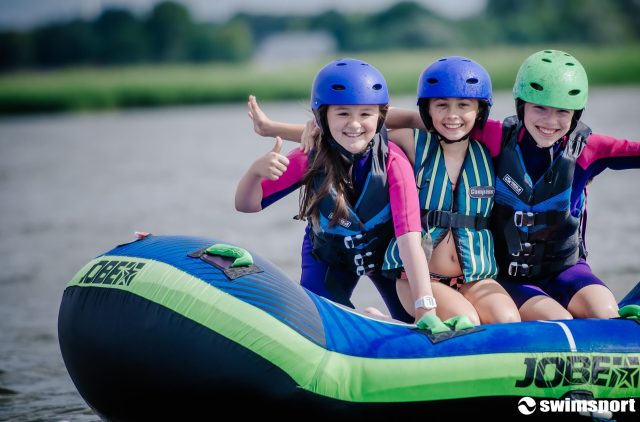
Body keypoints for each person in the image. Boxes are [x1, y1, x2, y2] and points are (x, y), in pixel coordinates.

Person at [358, 49, 640, 320]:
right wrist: (408, 119)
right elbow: (381, 123)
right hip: (501, 275)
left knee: (605, 310)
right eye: (539, 108)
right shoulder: (494, 137)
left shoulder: (589, 149)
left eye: (562, 112)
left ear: (575, 114)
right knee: (551, 317)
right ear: (521, 106)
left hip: (555, 268)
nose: (550, 121)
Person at [247, 57, 521, 324]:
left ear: (480, 110)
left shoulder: (488, 141)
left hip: (473, 274)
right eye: (441, 105)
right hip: (415, 271)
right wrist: (299, 126)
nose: (452, 115)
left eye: (463, 105)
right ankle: (375, 318)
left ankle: (383, 320)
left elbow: (373, 119)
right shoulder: (410, 141)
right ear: (427, 109)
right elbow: (359, 133)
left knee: (505, 318)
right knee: (466, 319)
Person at [237, 58, 444, 324]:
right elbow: (246, 205)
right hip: (329, 256)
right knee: (316, 320)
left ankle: (377, 319)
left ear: (381, 117)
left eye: (365, 114)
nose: (354, 124)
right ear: (321, 118)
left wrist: (425, 307)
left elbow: (408, 241)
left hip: (387, 255)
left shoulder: (394, 162)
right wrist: (254, 173)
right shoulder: (308, 157)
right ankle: (364, 318)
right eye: (343, 114)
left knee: (411, 318)